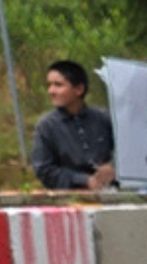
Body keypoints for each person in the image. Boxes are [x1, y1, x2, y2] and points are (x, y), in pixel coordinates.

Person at [29, 60, 113, 192]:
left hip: (112, 191)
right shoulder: (46, 126)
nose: (51, 91)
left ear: (79, 89)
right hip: (68, 196)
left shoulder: (104, 119)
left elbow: (128, 153)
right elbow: (44, 169)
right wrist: (84, 180)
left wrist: (113, 167)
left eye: (58, 85)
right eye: (49, 85)